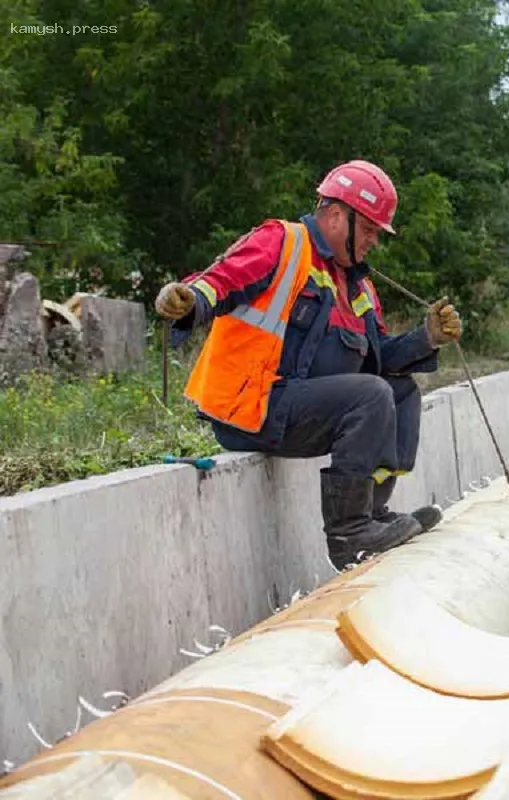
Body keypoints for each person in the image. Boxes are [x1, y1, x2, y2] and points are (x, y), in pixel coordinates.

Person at [154, 160, 463, 570]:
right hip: (253, 408)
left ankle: (372, 514)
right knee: (372, 395)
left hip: (295, 409)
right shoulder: (283, 242)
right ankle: (350, 534)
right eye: (369, 229)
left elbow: (380, 358)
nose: (374, 240)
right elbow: (221, 280)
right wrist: (189, 300)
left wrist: (428, 338)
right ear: (337, 215)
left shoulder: (358, 285)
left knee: (400, 391)